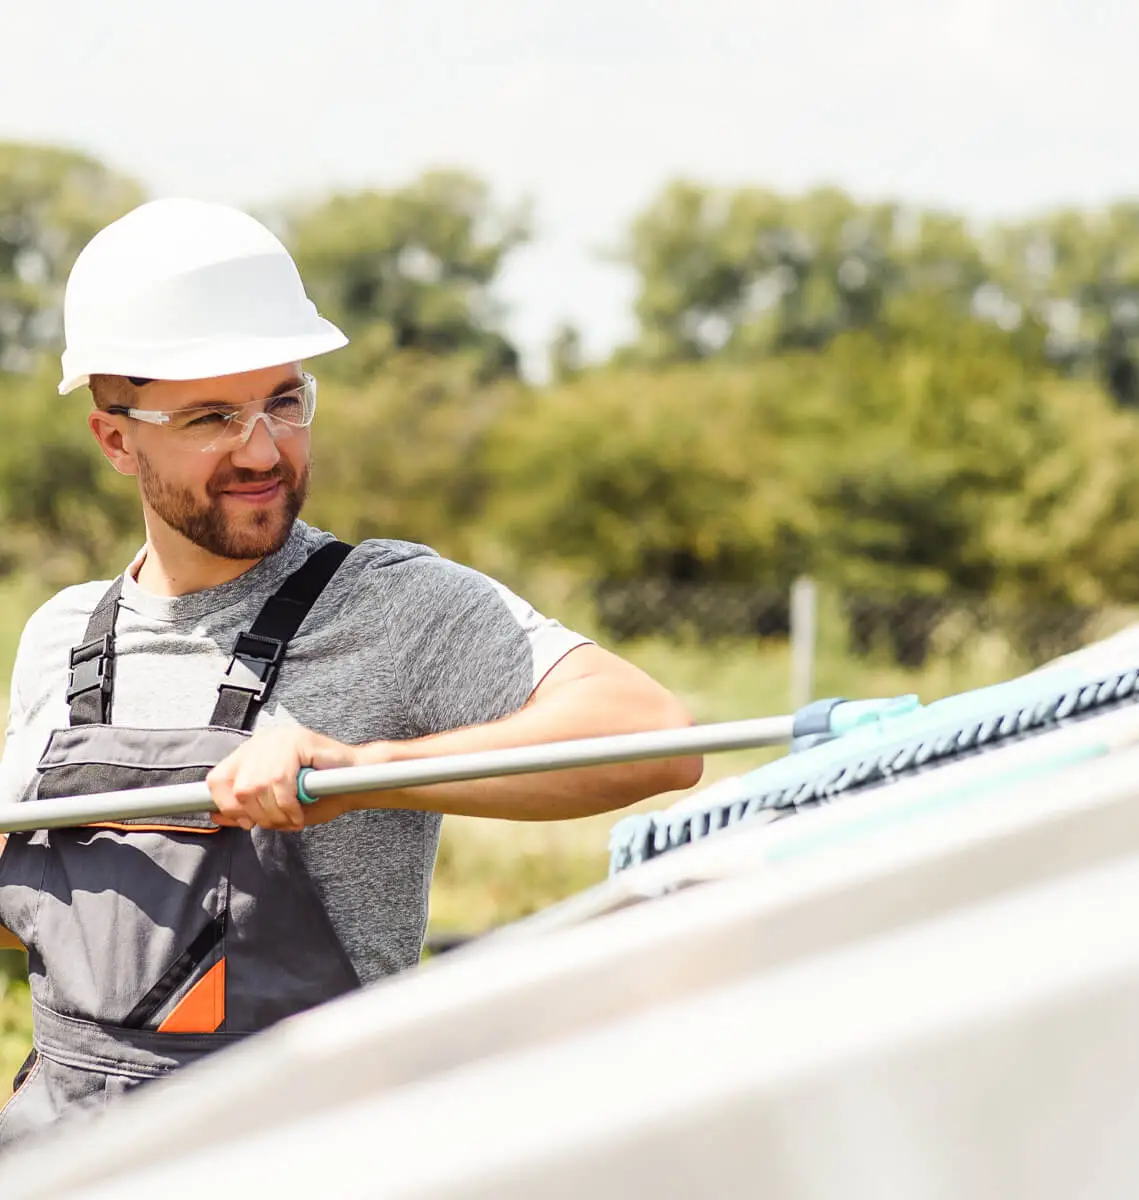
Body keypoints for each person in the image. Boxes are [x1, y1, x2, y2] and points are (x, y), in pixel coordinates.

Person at [0, 198, 701, 1145]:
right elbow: (53, 929)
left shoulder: (393, 603)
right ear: (117, 440)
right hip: (70, 1159)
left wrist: (359, 771)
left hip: (306, 1153)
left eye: (284, 401)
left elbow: (654, 738)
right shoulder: (62, 636)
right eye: (212, 416)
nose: (263, 450)